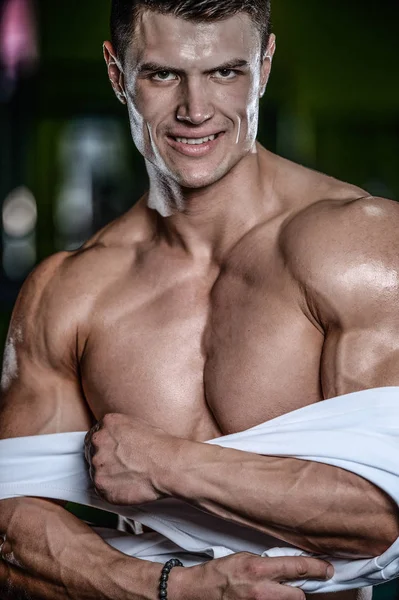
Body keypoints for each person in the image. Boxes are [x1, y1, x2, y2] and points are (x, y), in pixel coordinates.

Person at [0, 0, 398, 598]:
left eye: (224, 72)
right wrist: (172, 588)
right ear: (117, 74)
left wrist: (169, 466)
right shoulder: (69, 292)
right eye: (162, 74)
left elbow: (381, 520)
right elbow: (10, 525)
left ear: (263, 67)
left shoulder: (361, 247)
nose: (195, 110)